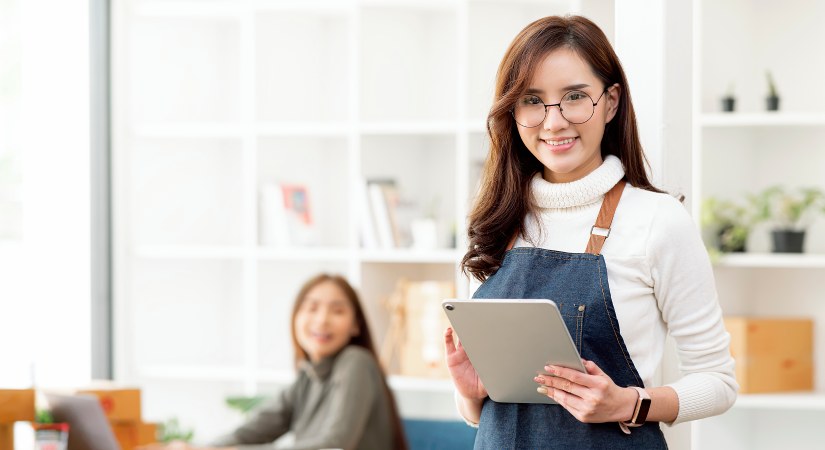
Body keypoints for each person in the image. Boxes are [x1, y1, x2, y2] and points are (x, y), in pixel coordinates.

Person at [444, 15, 738, 449]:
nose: (554, 121)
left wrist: (629, 404)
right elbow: (478, 414)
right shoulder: (493, 225)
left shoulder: (657, 220)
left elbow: (719, 382)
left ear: (611, 101)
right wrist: (470, 396)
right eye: (532, 100)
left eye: (575, 97)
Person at [145, 273, 408, 450]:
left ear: (355, 326)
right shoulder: (308, 377)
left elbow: (335, 443)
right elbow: (255, 429)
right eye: (311, 308)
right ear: (296, 316)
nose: (321, 320)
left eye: (337, 310)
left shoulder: (356, 362)